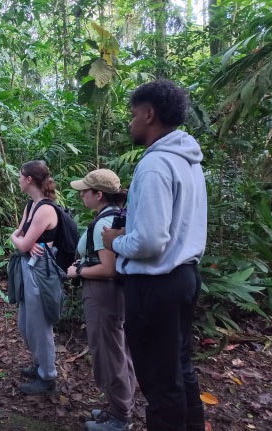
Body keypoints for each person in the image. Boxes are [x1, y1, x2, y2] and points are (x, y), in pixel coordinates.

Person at [102, 80, 207, 431]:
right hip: (185, 278)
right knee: (180, 369)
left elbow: (149, 242)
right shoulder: (189, 161)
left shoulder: (155, 165)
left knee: (160, 382)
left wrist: (115, 241)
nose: (130, 123)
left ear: (149, 114)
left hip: (155, 285)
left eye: (133, 115)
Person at [67, 169, 135, 431]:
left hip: (102, 294)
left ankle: (120, 418)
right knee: (118, 350)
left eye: (85, 190)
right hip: (111, 294)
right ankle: (119, 408)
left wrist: (78, 271)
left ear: (98, 195)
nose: (81, 194)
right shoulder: (114, 217)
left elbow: (109, 268)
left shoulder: (103, 225)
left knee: (109, 353)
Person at [10, 160, 61, 395]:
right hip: (27, 269)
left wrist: (22, 242)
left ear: (29, 179)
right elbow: (20, 237)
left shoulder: (45, 209)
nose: (18, 180)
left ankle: (48, 376)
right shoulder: (31, 206)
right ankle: (40, 365)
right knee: (26, 324)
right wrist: (22, 241)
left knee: (40, 325)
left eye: (20, 176)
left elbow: (21, 242)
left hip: (41, 272)